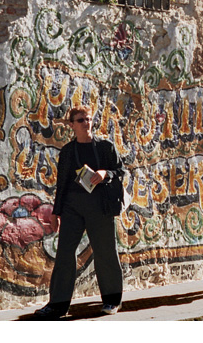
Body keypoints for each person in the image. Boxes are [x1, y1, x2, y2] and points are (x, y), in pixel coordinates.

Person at [34, 106, 125, 319]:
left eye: (88, 119)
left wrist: (105, 173)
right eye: (81, 120)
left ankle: (112, 300)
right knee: (65, 253)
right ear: (72, 125)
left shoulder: (105, 147)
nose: (86, 123)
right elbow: (62, 183)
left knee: (105, 252)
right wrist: (56, 213)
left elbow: (120, 170)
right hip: (72, 208)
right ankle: (58, 304)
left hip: (100, 207)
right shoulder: (67, 151)